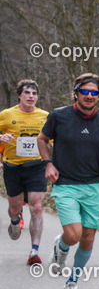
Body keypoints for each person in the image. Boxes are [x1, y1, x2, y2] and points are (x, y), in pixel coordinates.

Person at [37, 73, 99, 289]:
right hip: (66, 183)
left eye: (94, 92)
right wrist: (48, 163)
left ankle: (72, 284)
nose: (89, 96)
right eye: (84, 91)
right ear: (75, 93)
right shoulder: (59, 116)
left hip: (94, 186)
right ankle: (61, 245)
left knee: (88, 238)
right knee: (74, 235)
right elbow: (42, 139)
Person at [0, 80, 49, 263]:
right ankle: (15, 219)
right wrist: (1, 137)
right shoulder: (6, 114)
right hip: (13, 167)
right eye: (27, 93)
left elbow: (53, 138)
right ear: (19, 95)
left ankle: (34, 251)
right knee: (14, 206)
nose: (31, 96)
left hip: (36, 166)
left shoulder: (45, 116)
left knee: (37, 206)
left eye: (34, 93)